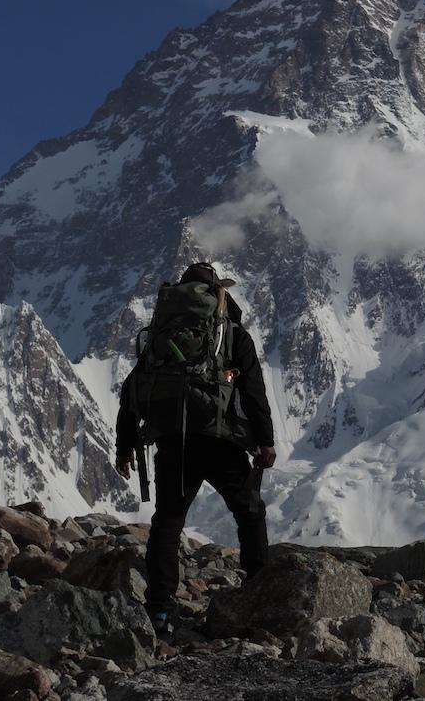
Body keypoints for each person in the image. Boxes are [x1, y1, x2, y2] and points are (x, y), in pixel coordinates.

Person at [114, 262, 276, 637]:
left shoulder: (159, 336)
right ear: (219, 294)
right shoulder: (232, 335)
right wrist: (265, 442)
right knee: (249, 512)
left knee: (168, 522)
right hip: (221, 440)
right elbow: (253, 393)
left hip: (173, 440)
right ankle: (261, 594)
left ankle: (159, 612)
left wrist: (125, 445)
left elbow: (133, 392)